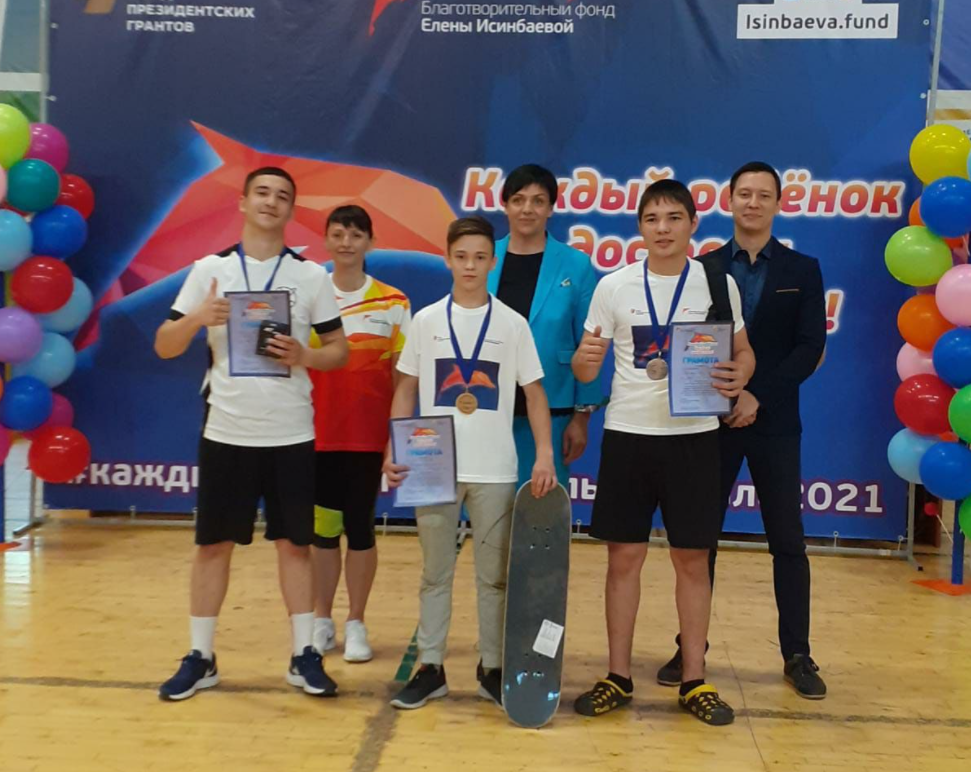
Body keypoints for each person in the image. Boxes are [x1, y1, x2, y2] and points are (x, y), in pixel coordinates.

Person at [154, 167, 349, 701]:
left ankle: (303, 654)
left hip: (290, 432)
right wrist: (197, 317)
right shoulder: (209, 270)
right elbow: (164, 344)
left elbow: (339, 351)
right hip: (227, 431)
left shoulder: (311, 277)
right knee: (212, 546)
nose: (271, 202)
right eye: (262, 192)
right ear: (242, 202)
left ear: (291, 210)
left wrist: (305, 354)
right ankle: (201, 656)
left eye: (282, 196)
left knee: (295, 545)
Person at [571, 180, 755, 726]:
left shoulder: (717, 284)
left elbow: (744, 353)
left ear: (693, 224)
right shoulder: (614, 286)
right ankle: (618, 676)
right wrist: (584, 360)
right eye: (652, 219)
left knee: (692, 560)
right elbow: (585, 368)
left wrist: (738, 377)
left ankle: (694, 679)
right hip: (628, 435)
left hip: (694, 438)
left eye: (674, 217)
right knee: (623, 559)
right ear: (640, 228)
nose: (663, 228)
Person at [656, 162, 828, 699]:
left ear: (779, 203)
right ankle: (690, 648)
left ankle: (797, 653)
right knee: (698, 539)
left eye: (764, 195)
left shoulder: (803, 269)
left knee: (788, 541)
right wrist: (727, 400)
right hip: (711, 423)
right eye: (744, 194)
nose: (753, 203)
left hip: (776, 422)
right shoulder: (702, 268)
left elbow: (810, 348)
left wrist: (755, 395)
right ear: (729, 200)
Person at [384, 216, 557, 710]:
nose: (470, 266)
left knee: (494, 578)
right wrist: (395, 447)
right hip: (432, 467)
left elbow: (535, 393)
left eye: (480, 257)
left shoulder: (512, 324)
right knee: (435, 573)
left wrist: (544, 454)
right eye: (461, 257)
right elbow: (405, 388)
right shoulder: (426, 321)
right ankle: (431, 667)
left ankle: (492, 669)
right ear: (447, 259)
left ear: (492, 262)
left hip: (494, 470)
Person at [309, 205, 411, 663]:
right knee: (322, 532)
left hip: (367, 441)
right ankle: (320, 619)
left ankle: (356, 622)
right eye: (338, 234)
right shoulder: (308, 297)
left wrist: (394, 438)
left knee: (361, 530)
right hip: (315, 437)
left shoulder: (393, 303)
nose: (346, 242)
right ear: (326, 240)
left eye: (355, 234)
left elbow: (404, 380)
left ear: (370, 241)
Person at [489, 164, 601, 488]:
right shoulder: (484, 257)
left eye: (538, 201)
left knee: (541, 507)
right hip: (488, 407)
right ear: (505, 204)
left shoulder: (575, 264)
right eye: (518, 199)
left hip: (553, 407)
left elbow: (589, 343)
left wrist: (582, 417)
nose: (527, 209)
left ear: (551, 208)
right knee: (487, 506)